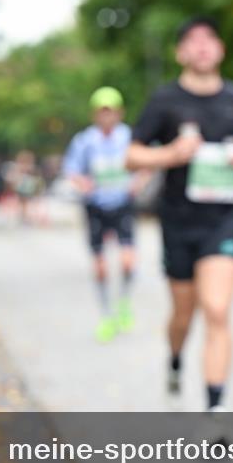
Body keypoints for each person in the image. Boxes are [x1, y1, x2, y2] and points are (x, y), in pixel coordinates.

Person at [127, 17, 233, 411]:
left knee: (217, 310)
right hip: (178, 221)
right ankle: (174, 360)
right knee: (183, 314)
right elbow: (132, 155)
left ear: (220, 49)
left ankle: (214, 409)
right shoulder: (165, 100)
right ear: (180, 53)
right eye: (192, 41)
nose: (202, 47)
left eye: (209, 40)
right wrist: (170, 154)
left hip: (224, 219)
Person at [63, 87, 143, 343]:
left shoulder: (130, 137)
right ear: (95, 114)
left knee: (128, 261)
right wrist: (82, 183)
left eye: (111, 112)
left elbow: (147, 164)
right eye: (102, 112)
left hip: (122, 204)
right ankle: (106, 315)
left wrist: (138, 183)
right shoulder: (85, 141)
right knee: (100, 267)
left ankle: (124, 305)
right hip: (96, 206)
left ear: (120, 113)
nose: (107, 117)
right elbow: (71, 170)